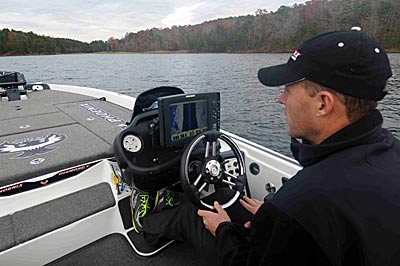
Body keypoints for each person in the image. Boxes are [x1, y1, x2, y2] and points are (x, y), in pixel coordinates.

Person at [131, 29, 400, 266]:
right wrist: (271, 217)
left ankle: (143, 223)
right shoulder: (392, 151)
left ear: (323, 103)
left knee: (194, 214)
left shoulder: (300, 206)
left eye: (288, 90)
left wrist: (224, 229)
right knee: (227, 196)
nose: (281, 99)